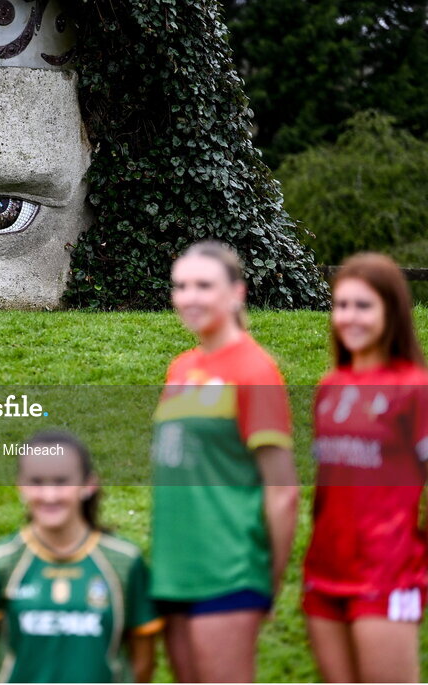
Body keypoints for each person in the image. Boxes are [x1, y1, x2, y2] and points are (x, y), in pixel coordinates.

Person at [303, 253, 428, 683]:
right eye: (342, 305)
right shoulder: (329, 388)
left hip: (389, 574)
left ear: (391, 312)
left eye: (364, 305)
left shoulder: (418, 388)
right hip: (323, 573)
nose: (349, 316)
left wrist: (422, 558)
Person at [150, 240, 300, 682]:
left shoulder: (256, 371)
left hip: (229, 570)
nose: (188, 297)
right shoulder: (179, 368)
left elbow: (283, 493)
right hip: (173, 571)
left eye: (203, 286)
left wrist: (267, 583)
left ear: (237, 293)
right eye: (180, 286)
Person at [0, 431, 161, 683]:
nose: (49, 495)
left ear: (88, 485)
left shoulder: (125, 561)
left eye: (62, 482)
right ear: (20, 486)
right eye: (37, 482)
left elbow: (142, 665)